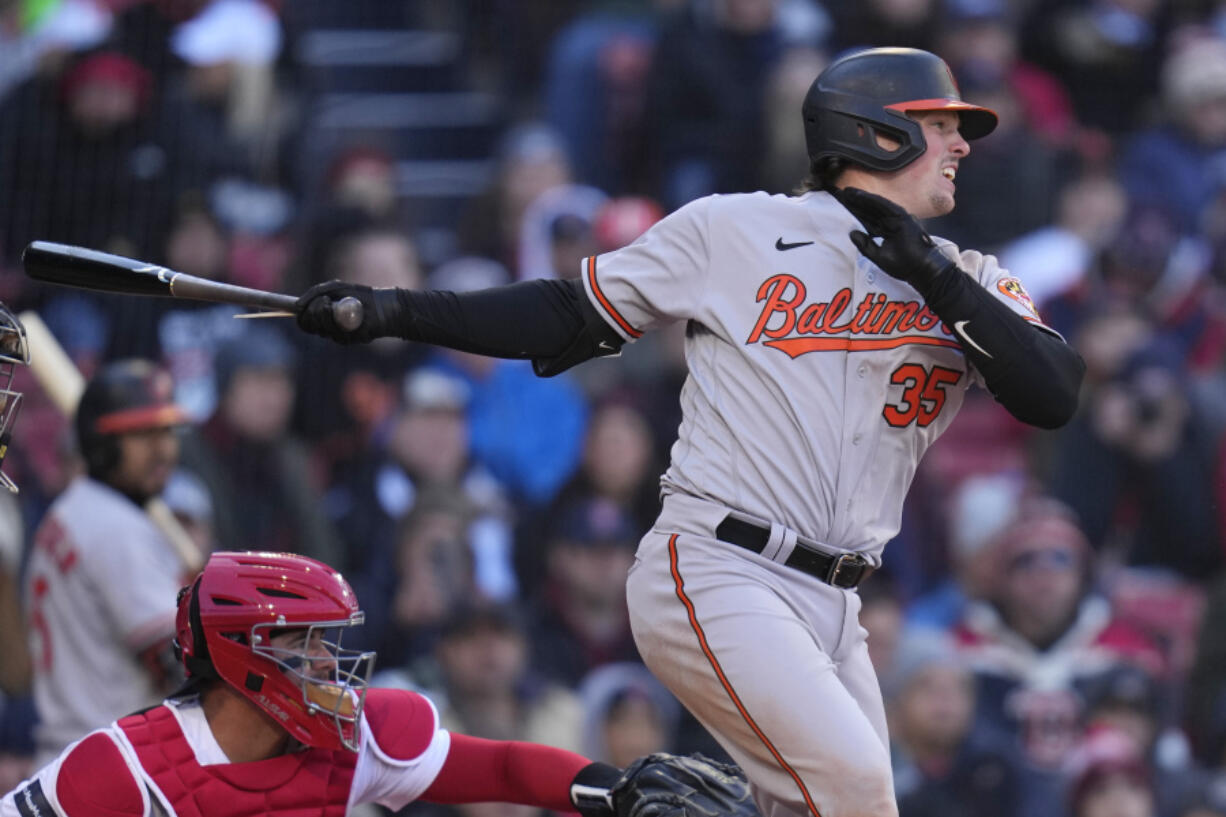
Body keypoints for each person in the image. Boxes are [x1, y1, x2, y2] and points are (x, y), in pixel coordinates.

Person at [295, 46, 1085, 817]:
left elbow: (1052, 391)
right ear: (879, 132)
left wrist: (933, 275)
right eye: (942, 124)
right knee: (856, 796)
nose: (961, 144)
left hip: (839, 605)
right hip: (721, 566)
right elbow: (567, 311)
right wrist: (398, 309)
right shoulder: (734, 229)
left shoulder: (967, 276)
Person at [4, 551, 653, 816]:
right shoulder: (118, 771)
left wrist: (609, 790)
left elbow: (506, 767)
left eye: (326, 639)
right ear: (238, 654)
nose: (325, 661)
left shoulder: (354, 734)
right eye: (303, 641)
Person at [24, 358, 190, 765]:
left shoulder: (73, 512)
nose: (163, 449)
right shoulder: (115, 528)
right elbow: (176, 662)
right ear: (101, 445)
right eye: (142, 434)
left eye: (167, 430)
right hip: (110, 769)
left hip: (72, 758)